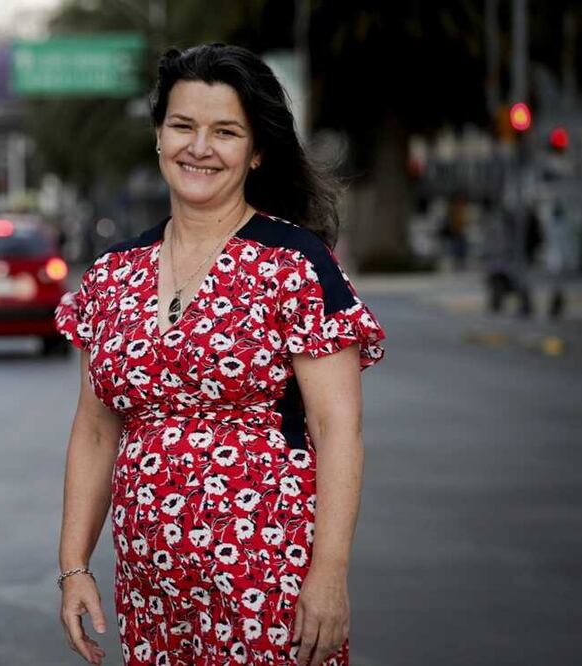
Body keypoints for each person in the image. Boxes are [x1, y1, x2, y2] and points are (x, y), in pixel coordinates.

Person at [55, 44, 386, 666]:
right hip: (150, 587)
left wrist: (330, 574)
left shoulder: (295, 265)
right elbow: (97, 431)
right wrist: (73, 566)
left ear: (256, 151)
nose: (199, 147)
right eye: (182, 126)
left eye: (225, 132)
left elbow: (337, 429)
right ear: (159, 136)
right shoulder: (112, 275)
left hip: (268, 575)